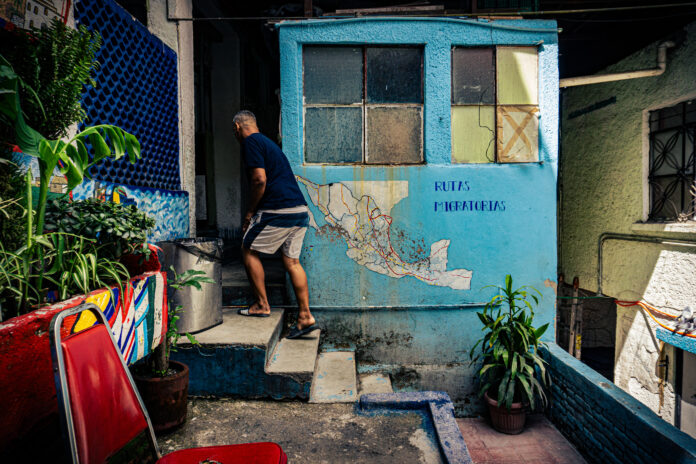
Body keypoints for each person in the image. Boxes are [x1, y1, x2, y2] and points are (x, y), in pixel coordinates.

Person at [233, 110, 317, 339]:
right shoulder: (269, 144)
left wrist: (250, 212)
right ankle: (305, 316)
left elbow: (259, 180)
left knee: (247, 248)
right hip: (300, 211)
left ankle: (261, 304)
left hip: (278, 209)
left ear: (237, 128)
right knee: (292, 261)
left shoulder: (251, 143)